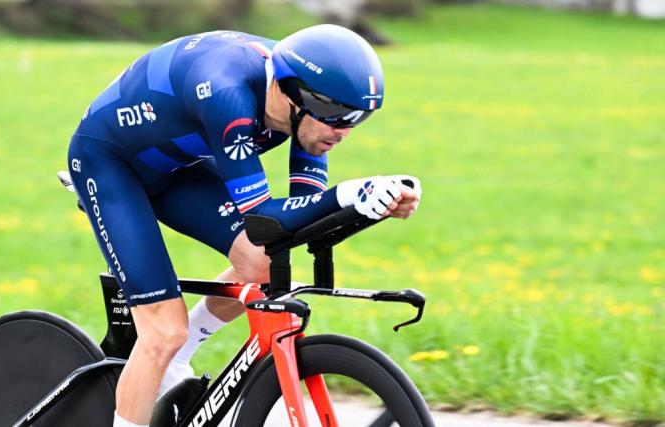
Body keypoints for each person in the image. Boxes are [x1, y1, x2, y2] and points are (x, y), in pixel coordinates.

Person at [67, 24, 422, 427]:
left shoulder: (304, 110)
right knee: (163, 331)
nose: (344, 132)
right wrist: (346, 195)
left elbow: (301, 215)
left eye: (358, 119)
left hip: (176, 165)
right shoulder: (227, 93)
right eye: (338, 116)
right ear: (294, 95)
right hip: (109, 164)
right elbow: (265, 217)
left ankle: (176, 364)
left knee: (261, 264)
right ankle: (161, 362)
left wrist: (372, 206)